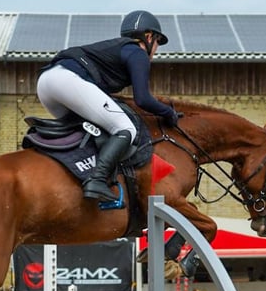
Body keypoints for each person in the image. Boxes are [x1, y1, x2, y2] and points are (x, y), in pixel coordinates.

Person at [36, 10, 180, 202]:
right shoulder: (138, 53)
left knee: (94, 130)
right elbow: (143, 99)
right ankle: (97, 180)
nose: (156, 49)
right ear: (148, 37)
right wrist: (169, 113)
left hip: (46, 83)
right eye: (157, 42)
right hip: (67, 81)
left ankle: (78, 172)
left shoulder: (118, 50)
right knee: (125, 127)